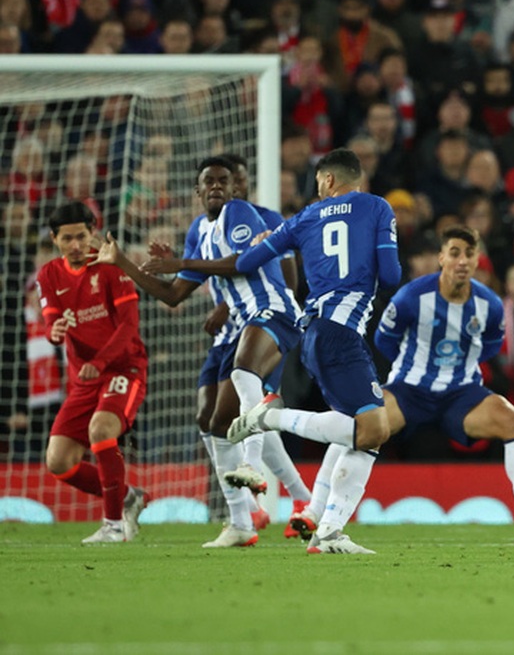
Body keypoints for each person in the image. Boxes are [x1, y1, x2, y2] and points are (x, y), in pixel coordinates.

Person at [235, 226, 514, 548]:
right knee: (364, 427)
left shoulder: (488, 304)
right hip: (410, 389)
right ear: (441, 258)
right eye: (455, 253)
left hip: (462, 394)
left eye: (469, 254)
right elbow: (385, 341)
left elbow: (491, 347)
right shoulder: (412, 297)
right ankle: (318, 514)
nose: (462, 260)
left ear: (477, 260)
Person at [91, 157, 303, 548]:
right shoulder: (198, 231)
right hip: (240, 323)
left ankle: (253, 469)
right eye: (210, 182)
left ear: (236, 188)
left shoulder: (241, 213)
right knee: (213, 421)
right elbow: (173, 294)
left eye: (225, 180)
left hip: (272, 309)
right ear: (198, 190)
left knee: (244, 375)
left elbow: (242, 262)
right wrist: (123, 262)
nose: (219, 186)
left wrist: (182, 262)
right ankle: (240, 522)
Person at [223, 148, 401, 555]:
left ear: (327, 181)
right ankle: (271, 416)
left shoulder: (304, 217)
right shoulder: (376, 207)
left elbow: (248, 260)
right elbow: (390, 274)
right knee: (374, 429)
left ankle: (328, 531)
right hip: (341, 331)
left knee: (362, 432)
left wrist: (269, 242)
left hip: (318, 331)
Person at [174, 152, 312, 539]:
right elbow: (183, 288)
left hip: (264, 321)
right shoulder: (205, 225)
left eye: (234, 179)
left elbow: (281, 275)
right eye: (216, 181)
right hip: (229, 331)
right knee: (222, 417)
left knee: (250, 402)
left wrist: (233, 307)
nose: (228, 186)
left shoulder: (264, 218)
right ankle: (265, 506)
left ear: (241, 183)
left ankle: (274, 498)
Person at [38, 202, 148, 544]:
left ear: (93, 234)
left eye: (82, 237)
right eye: (67, 238)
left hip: (123, 369)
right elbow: (52, 323)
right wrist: (53, 332)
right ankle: (128, 496)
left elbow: (129, 326)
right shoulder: (49, 275)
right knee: (59, 462)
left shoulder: (111, 268)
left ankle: (113, 525)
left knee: (101, 429)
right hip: (84, 379)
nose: (76, 245)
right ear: (55, 239)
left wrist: (100, 363)